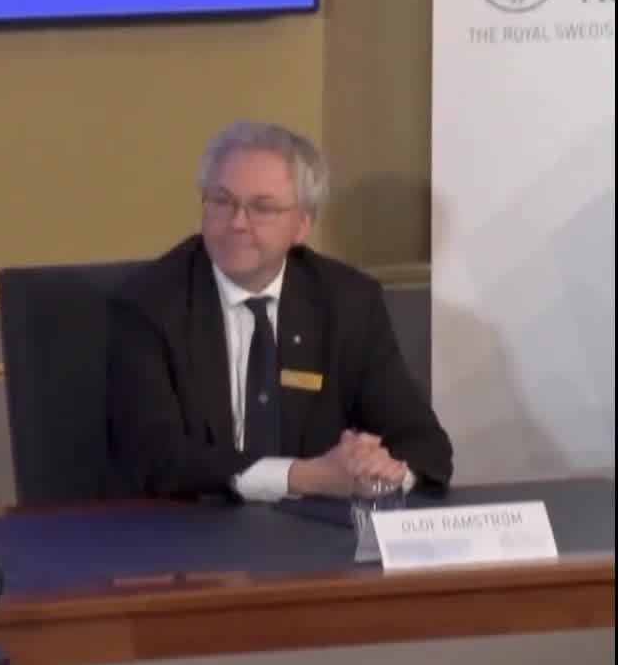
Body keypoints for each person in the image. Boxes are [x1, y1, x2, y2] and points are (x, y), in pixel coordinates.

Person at [106, 121, 453, 501]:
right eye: (221, 201)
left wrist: (381, 474)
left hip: (313, 528)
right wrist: (305, 477)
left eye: (262, 208)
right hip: (192, 524)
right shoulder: (149, 303)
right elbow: (155, 456)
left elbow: (424, 445)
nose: (237, 223)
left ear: (302, 224)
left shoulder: (348, 302)